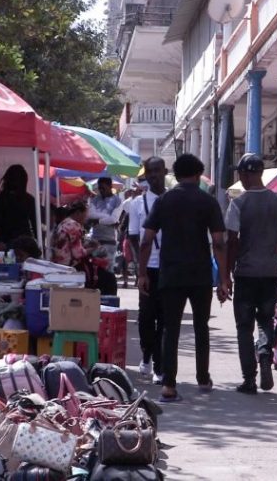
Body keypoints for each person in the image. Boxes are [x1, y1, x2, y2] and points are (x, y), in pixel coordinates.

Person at [138, 153, 229, 403]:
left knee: (170, 328)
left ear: (174, 175)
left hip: (171, 273)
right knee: (201, 327)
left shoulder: (164, 201)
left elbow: (146, 241)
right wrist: (223, 278)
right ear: (198, 175)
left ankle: (169, 385)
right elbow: (219, 243)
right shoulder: (208, 202)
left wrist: (142, 273)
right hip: (200, 275)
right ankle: (202, 377)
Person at [223, 153, 277, 394]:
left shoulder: (238, 204)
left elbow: (231, 241)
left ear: (243, 174)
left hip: (246, 273)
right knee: (266, 319)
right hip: (270, 272)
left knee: (244, 327)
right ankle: (264, 352)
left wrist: (227, 274)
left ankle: (249, 379)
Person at [130, 158, 167, 384]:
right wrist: (138, 267)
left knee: (164, 319)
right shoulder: (137, 203)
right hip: (147, 269)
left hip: (169, 269)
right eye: (149, 172)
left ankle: (160, 367)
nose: (153, 175)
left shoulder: (173, 199)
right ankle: (146, 356)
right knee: (146, 317)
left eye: (157, 171)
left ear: (165, 172)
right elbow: (134, 237)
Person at [0, 164, 37, 244]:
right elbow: (35, 225)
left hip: (5, 241)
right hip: (24, 242)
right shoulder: (29, 199)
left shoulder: (0, 198)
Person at [88, 177, 122, 271]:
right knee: (94, 270)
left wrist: (98, 220)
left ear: (110, 187)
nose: (101, 190)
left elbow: (114, 219)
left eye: (103, 188)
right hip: (95, 241)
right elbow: (91, 215)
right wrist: (106, 217)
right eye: (100, 188)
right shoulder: (95, 199)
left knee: (108, 270)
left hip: (110, 241)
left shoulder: (117, 201)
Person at [51, 200, 90, 270]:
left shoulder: (62, 223)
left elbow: (68, 244)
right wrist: (94, 248)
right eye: (85, 215)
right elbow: (78, 253)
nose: (86, 219)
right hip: (69, 266)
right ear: (78, 213)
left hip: (57, 263)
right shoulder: (74, 226)